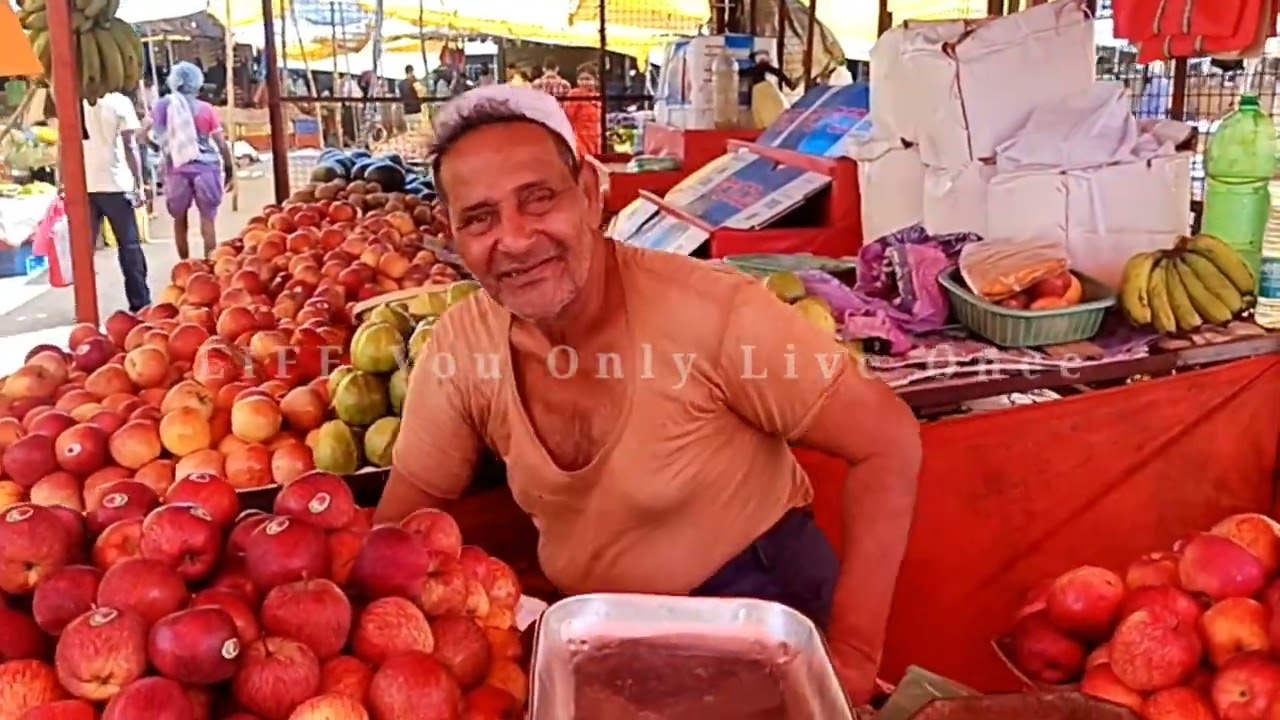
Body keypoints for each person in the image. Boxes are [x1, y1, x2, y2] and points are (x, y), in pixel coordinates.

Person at [375, 85, 922, 705]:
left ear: (588, 194)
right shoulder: (460, 348)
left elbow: (889, 440)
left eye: (539, 199)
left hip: (754, 611)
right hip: (598, 641)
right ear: (451, 233)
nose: (516, 239)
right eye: (480, 218)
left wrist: (850, 655)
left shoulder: (713, 314)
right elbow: (400, 528)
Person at [146, 62, 234, 260]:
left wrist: (160, 147)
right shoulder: (206, 109)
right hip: (207, 168)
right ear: (197, 83)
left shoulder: (162, 106)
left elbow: (142, 133)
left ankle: (185, 264)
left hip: (176, 167)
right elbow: (221, 143)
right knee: (208, 221)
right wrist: (229, 169)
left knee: (179, 219)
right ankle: (210, 266)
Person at [83, 90, 151, 312]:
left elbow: (64, 144)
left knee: (84, 251)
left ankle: (84, 305)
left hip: (84, 184)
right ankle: (140, 301)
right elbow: (131, 146)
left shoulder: (74, 100)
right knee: (129, 247)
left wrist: (64, 182)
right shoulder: (119, 102)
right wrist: (139, 184)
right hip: (116, 184)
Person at [563, 62, 602, 156]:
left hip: (597, 141)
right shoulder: (575, 94)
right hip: (580, 141)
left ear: (595, 80)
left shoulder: (598, 97)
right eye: (581, 79)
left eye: (588, 79)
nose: (584, 82)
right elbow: (567, 118)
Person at [398, 65, 424, 130]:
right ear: (412, 72)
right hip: (416, 112)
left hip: (407, 113)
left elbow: (400, 98)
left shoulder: (401, 84)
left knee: (410, 135)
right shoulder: (414, 82)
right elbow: (421, 94)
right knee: (419, 134)